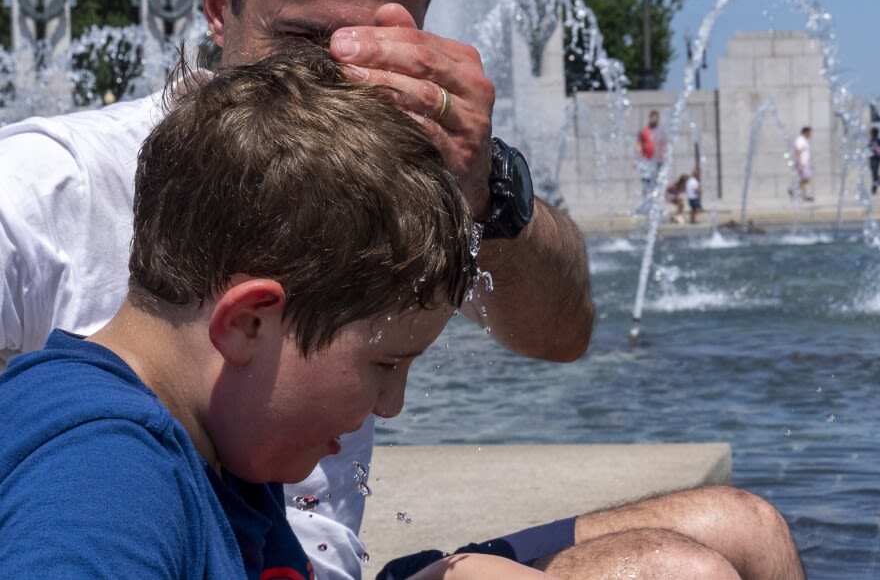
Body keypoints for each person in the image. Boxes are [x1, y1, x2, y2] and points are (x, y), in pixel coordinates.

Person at [0, 0, 805, 579]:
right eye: (306, 41)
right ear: (218, 6)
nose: (345, 80)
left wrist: (485, 186)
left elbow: (564, 334)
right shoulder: (58, 194)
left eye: (392, 48)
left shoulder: (228, 428)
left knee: (748, 533)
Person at [0, 51, 549, 580]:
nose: (392, 405)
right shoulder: (107, 476)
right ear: (249, 323)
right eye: (386, 364)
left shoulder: (220, 437)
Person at [636, 109, 667, 205]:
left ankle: (655, 202)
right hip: (647, 161)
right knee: (646, 182)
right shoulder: (644, 131)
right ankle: (646, 202)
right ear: (649, 118)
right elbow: (638, 145)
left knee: (657, 183)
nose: (654, 120)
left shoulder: (661, 132)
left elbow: (666, 146)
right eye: (652, 117)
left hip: (658, 161)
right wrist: (637, 159)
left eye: (656, 118)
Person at [792, 126, 814, 201]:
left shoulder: (804, 140)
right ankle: (800, 193)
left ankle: (798, 192)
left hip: (805, 163)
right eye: (809, 133)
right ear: (805, 132)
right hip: (802, 163)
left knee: (806, 179)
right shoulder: (800, 140)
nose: (810, 134)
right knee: (805, 179)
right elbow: (798, 152)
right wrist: (800, 164)